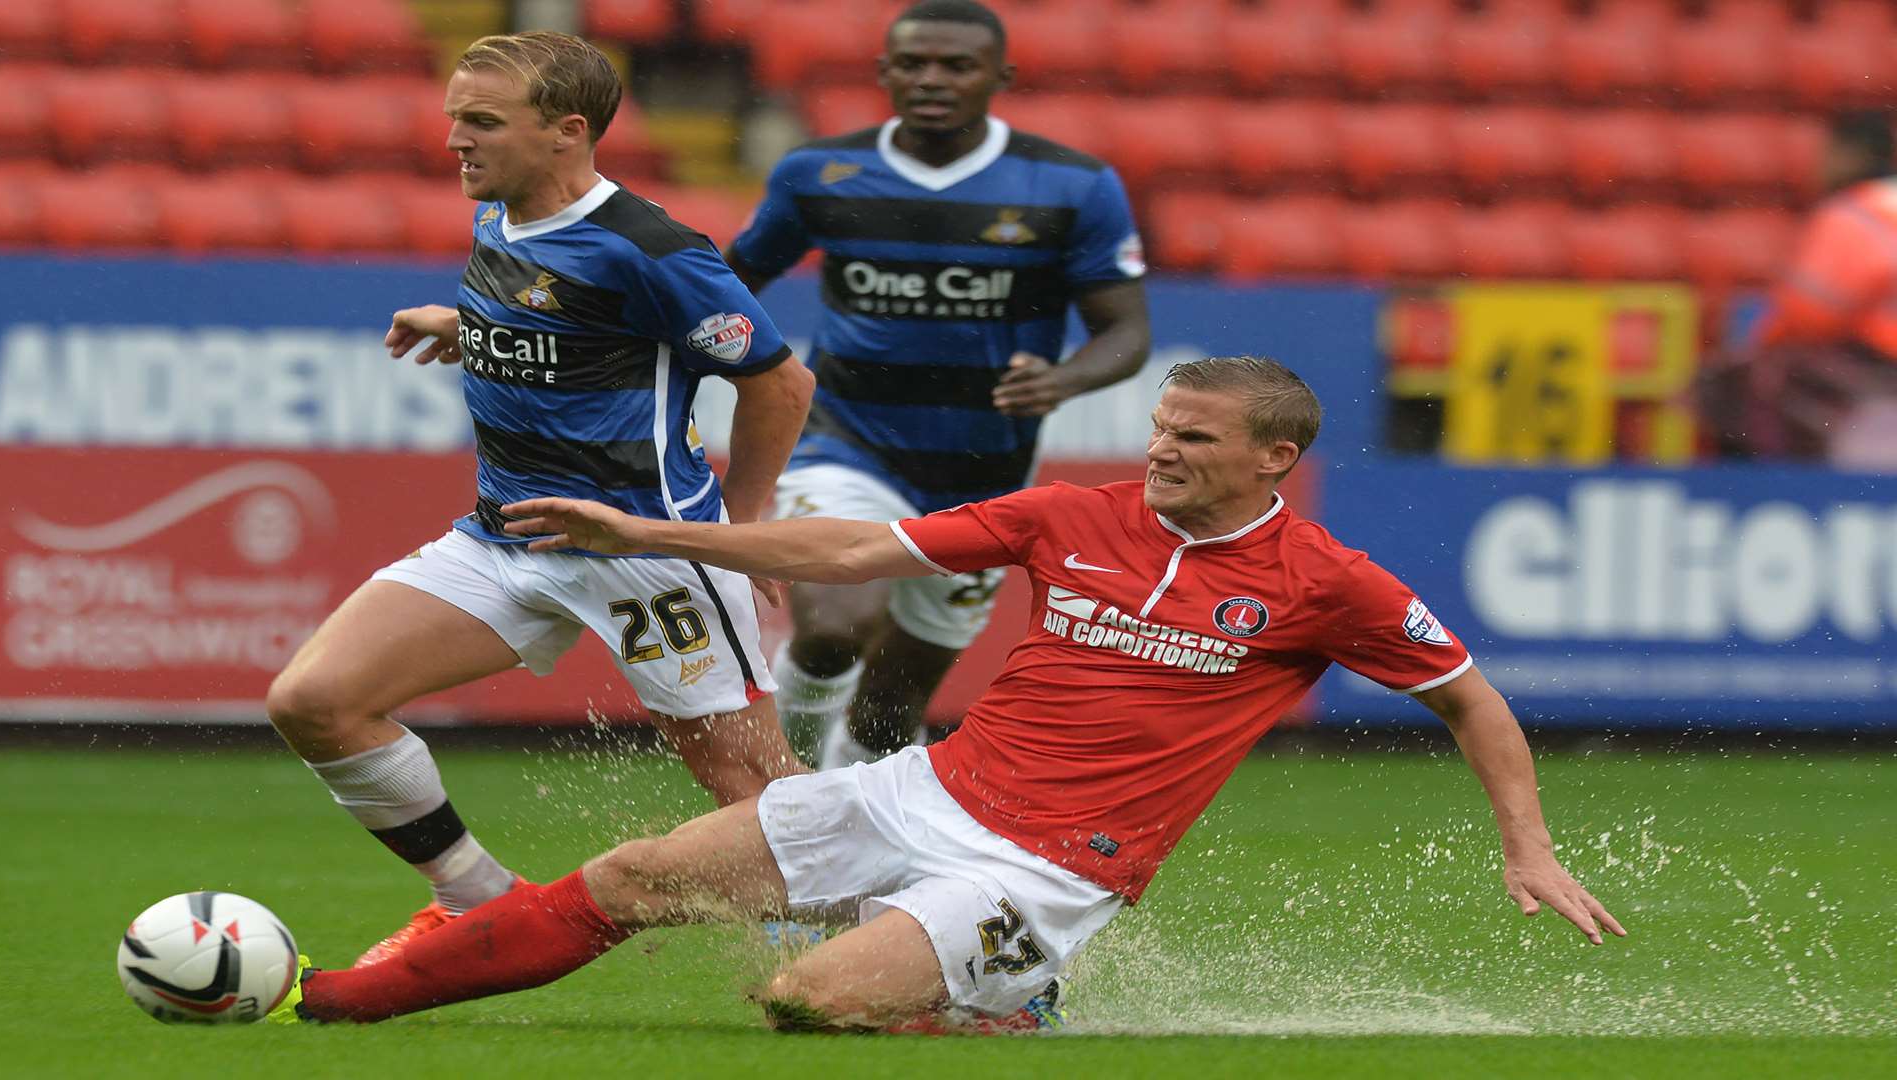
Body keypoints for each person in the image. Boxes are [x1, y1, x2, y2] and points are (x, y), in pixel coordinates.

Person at [270, 356, 1624, 1032]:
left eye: (1194, 442)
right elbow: (854, 548)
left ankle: (1003, 990)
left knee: (804, 1005)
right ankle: (314, 1007)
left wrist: (1527, 843)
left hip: (1050, 865)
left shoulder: (1332, 583)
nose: (1161, 454)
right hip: (923, 789)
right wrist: (667, 537)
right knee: (630, 877)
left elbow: (1471, 699)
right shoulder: (1073, 512)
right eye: (1158, 430)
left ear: (1273, 459)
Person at [263, 31, 817, 968]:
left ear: (566, 133)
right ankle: (478, 902)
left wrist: (749, 529)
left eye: (481, 123)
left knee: (757, 796)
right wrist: (470, 325)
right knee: (316, 700)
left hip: (646, 554)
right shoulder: (500, 216)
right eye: (454, 120)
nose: (454, 142)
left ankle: (943, 952)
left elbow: (778, 383)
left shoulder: (652, 250)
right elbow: (563, 319)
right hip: (505, 537)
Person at [723, 0, 1152, 768]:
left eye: (956, 65)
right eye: (914, 63)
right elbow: (722, 286)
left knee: (892, 713)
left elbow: (1125, 332)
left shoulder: (1072, 186)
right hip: (848, 443)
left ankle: (848, 825)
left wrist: (1061, 380)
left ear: (999, 76)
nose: (932, 79)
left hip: (984, 477)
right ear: (885, 72)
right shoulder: (818, 174)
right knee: (828, 631)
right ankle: (779, 801)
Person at [1702, 110, 1897, 466]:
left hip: (1878, 365)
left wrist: (1765, 345)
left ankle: (1759, 496)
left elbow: (1809, 315)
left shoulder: (1850, 215)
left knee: (1733, 384)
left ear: (1847, 154)